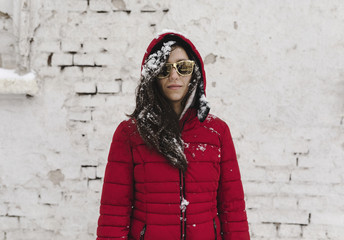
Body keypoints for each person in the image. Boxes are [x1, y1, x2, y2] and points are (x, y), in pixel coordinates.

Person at [96, 31, 250, 240]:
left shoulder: (217, 132)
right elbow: (114, 212)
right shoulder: (130, 134)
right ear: (152, 75)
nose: (174, 76)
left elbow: (232, 209)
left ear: (194, 72)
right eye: (164, 69)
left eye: (183, 67)